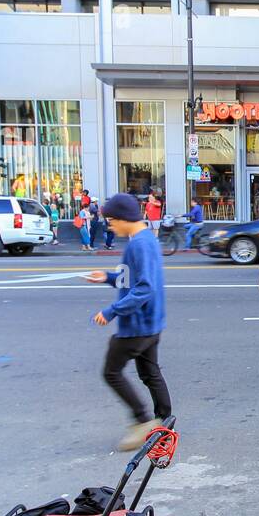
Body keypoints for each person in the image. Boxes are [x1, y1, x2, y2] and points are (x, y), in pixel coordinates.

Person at [86, 192, 170, 452]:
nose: (110, 225)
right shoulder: (144, 239)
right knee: (150, 372)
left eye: (111, 220)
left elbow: (144, 288)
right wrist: (109, 277)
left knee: (111, 372)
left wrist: (112, 311)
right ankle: (164, 423)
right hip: (150, 323)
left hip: (137, 324)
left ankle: (143, 421)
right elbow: (133, 279)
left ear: (123, 218)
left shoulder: (139, 244)